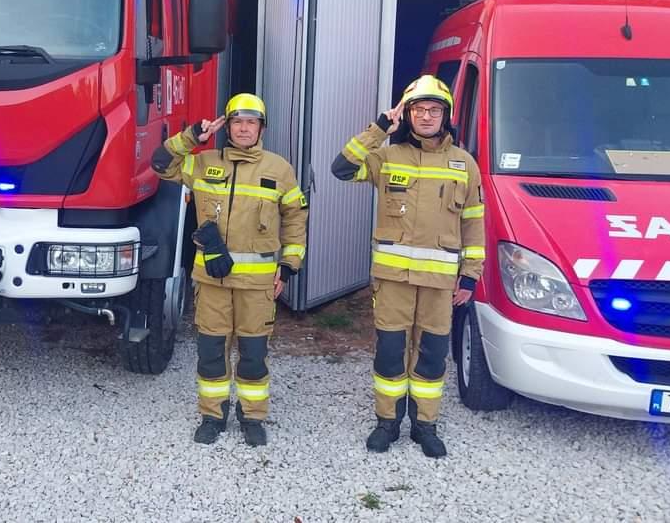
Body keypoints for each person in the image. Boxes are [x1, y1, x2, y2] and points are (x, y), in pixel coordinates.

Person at [332, 75, 485, 458]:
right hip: (393, 281)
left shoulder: (464, 164)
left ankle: (424, 425)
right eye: (419, 109)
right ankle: (387, 422)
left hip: (439, 283)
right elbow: (342, 168)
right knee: (390, 352)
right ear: (408, 115)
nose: (426, 116)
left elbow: (474, 223)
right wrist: (380, 128)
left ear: (446, 115)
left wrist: (470, 276)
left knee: (431, 354)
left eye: (434, 110)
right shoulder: (387, 158)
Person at [152, 92, 308, 446]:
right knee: (211, 352)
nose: (243, 128)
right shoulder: (204, 162)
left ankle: (252, 417)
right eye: (237, 122)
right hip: (212, 281)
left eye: (251, 122)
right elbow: (161, 163)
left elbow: (295, 217)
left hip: (257, 286)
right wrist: (192, 137)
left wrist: (289, 265)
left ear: (262, 128)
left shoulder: (279, 169)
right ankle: (213, 416)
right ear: (228, 127)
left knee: (253, 355)